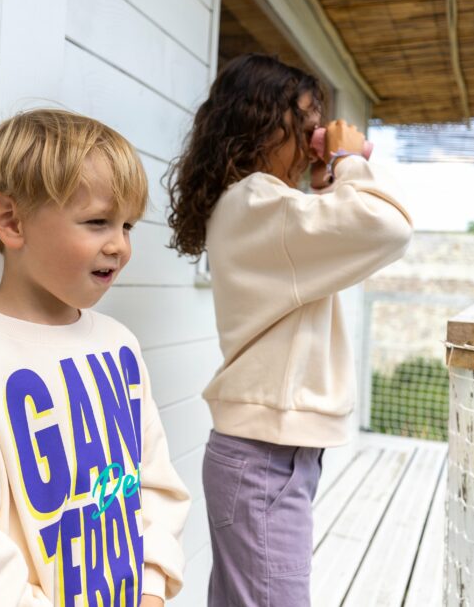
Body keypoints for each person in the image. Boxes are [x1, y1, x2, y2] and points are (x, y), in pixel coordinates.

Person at [0, 109, 190, 606]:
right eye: (97, 222)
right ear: (10, 220)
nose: (120, 246)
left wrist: (152, 589)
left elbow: (154, 483)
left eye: (127, 225)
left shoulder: (120, 346)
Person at [165, 53, 413, 606]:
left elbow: (336, 239)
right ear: (258, 124)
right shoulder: (258, 201)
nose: (310, 142)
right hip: (265, 458)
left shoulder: (256, 208)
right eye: (303, 127)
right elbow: (388, 228)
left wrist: (326, 183)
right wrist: (349, 160)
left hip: (266, 456)